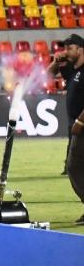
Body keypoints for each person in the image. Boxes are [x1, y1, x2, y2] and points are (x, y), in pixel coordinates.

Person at [56, 34, 84, 224]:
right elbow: (50, 73)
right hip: (77, 127)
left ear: (80, 49)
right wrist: (55, 61)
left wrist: (80, 122)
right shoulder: (73, 70)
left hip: (82, 127)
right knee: (75, 167)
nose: (66, 51)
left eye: (70, 47)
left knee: (73, 167)